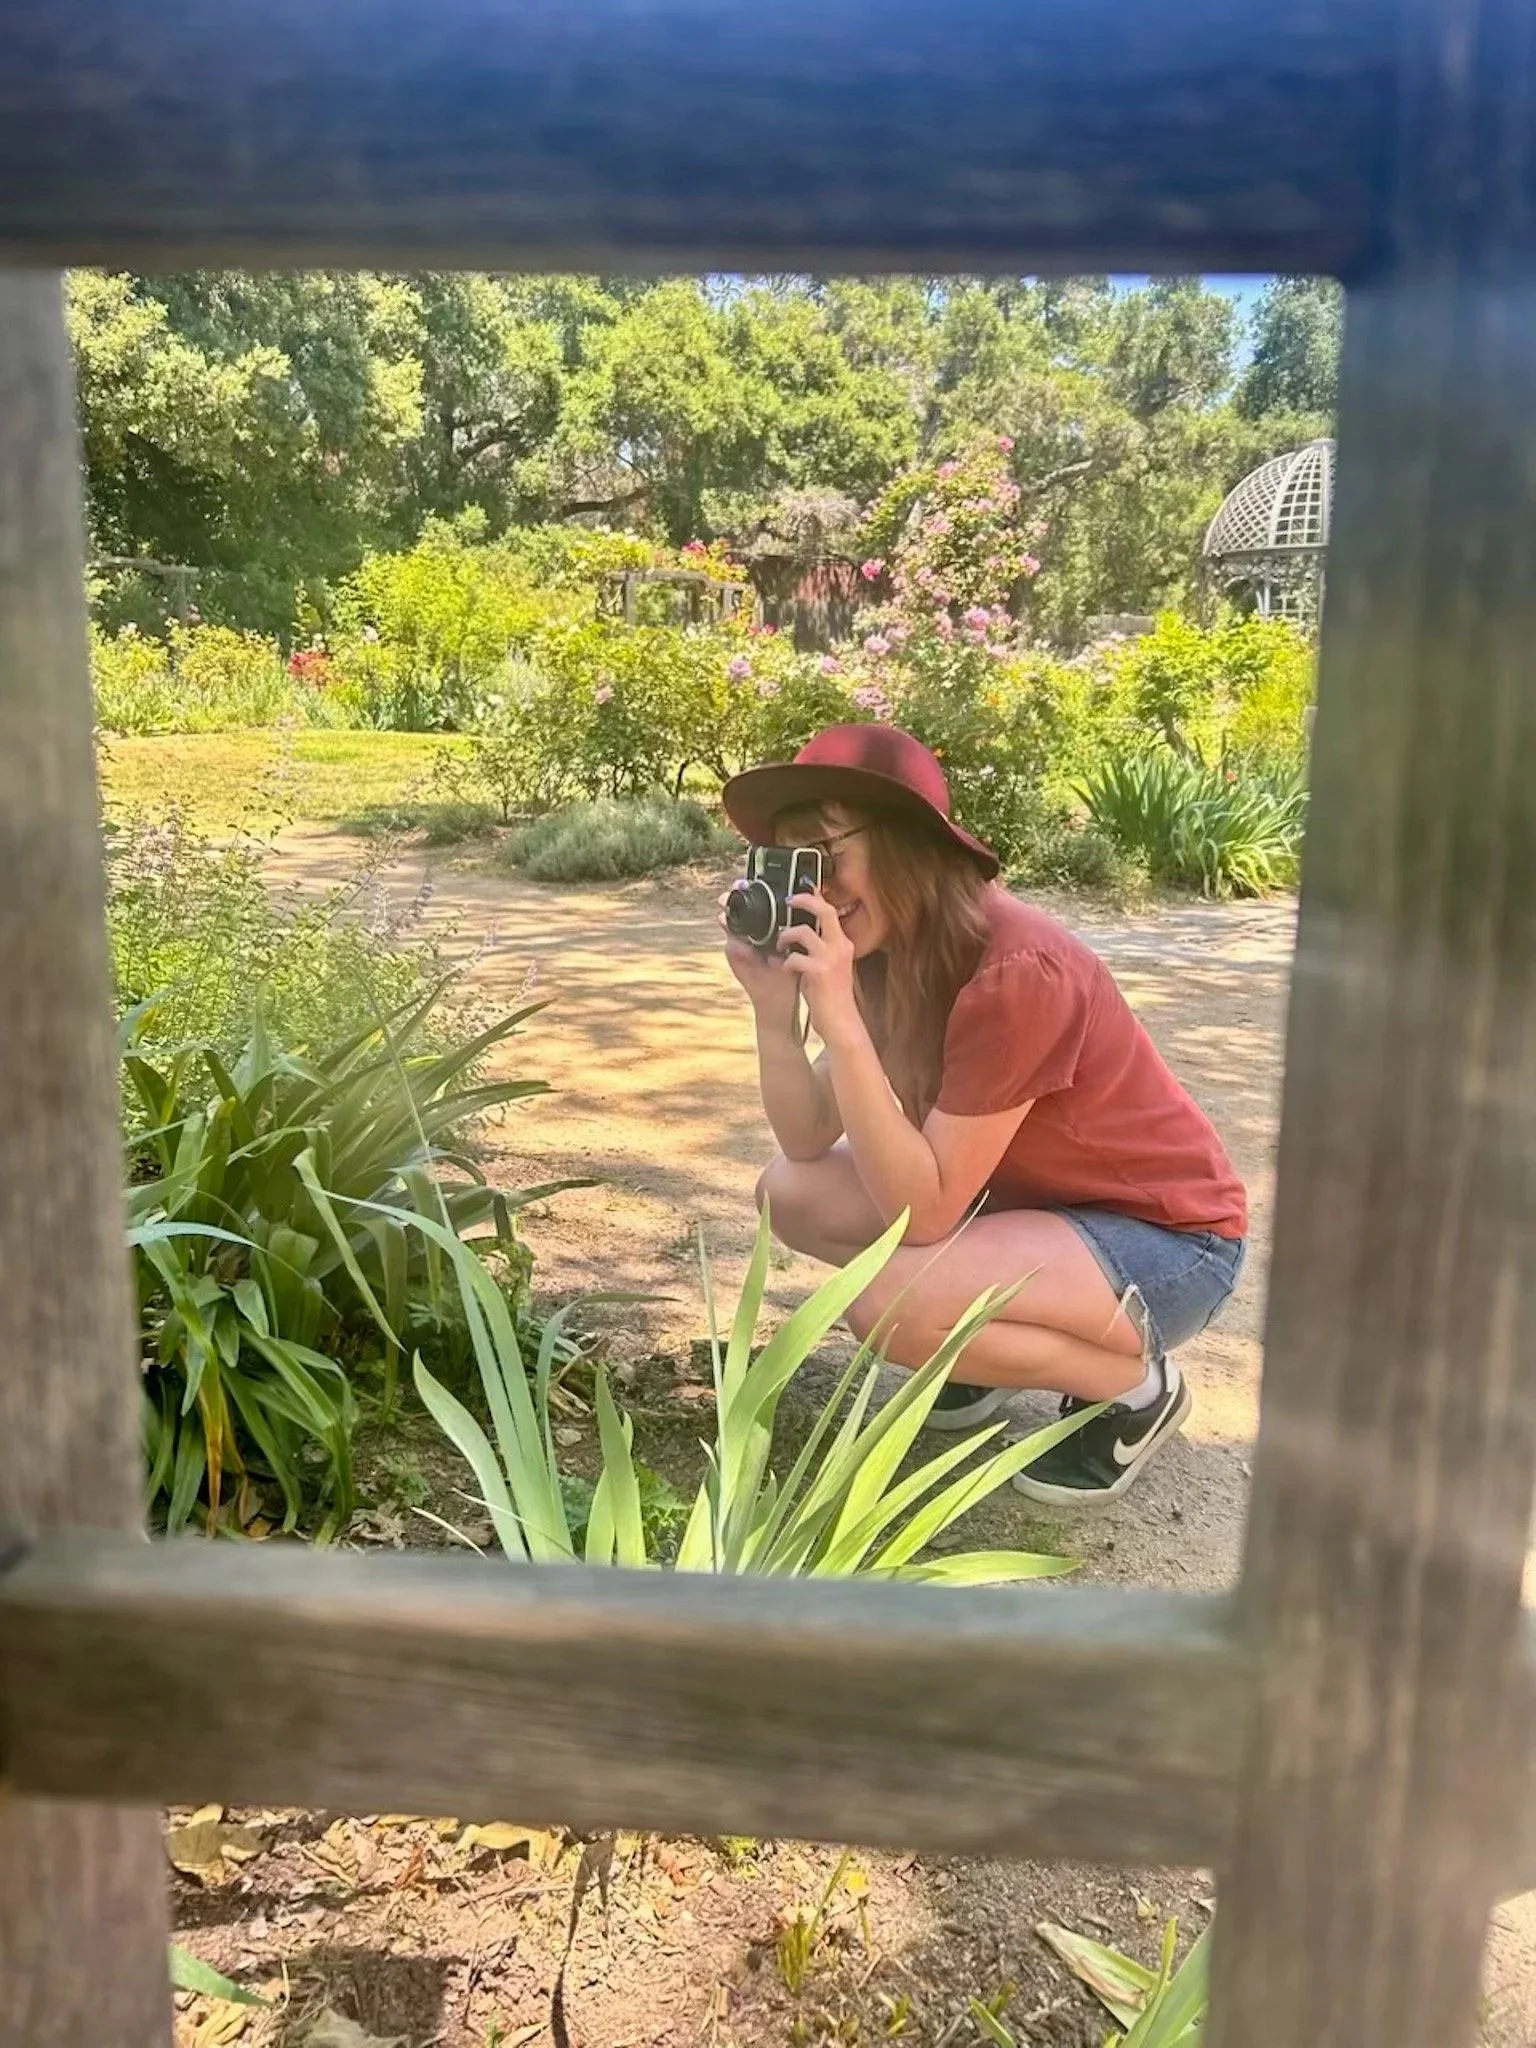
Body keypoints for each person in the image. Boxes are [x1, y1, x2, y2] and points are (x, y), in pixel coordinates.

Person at [718, 723, 1247, 1505]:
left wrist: (836, 1019)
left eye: (824, 860)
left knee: (891, 1304)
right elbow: (804, 1140)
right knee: (789, 1193)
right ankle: (980, 1355)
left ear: (907, 845)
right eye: (796, 866)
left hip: (1168, 1243)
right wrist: (774, 1011)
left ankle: (1136, 1385)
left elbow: (924, 1214)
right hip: (1028, 1211)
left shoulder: (1018, 972)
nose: (813, 892)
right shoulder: (885, 951)